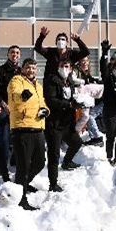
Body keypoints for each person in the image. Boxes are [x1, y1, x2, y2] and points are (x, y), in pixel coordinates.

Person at [7, 57, 49, 210]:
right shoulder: (16, 80)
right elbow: (15, 97)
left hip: (38, 127)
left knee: (39, 162)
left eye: (33, 68)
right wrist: (22, 95)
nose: (31, 70)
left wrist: (45, 110)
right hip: (22, 129)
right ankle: (21, 199)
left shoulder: (38, 85)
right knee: (23, 166)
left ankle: (22, 185)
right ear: (23, 69)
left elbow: (42, 102)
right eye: (28, 67)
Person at [43, 59, 84, 192]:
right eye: (61, 66)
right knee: (53, 155)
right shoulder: (51, 81)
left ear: (71, 68)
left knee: (77, 143)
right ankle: (53, 183)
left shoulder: (70, 82)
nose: (64, 68)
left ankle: (67, 162)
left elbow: (70, 98)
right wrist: (69, 104)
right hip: (54, 124)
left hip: (67, 123)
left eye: (66, 66)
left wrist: (78, 102)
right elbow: (51, 100)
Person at [0, 45, 21, 167]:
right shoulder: (0, 71)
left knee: (17, 137)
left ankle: (14, 162)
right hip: (3, 108)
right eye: (12, 52)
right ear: (8, 54)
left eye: (17, 53)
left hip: (17, 109)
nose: (15, 55)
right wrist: (4, 104)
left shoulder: (21, 71)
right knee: (4, 139)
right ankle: (1, 167)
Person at [72, 55, 104, 146]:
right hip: (78, 97)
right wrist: (83, 82)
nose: (85, 62)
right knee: (87, 116)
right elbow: (73, 80)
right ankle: (75, 134)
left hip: (88, 99)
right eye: (83, 60)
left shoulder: (86, 73)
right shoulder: (75, 70)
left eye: (87, 60)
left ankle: (95, 137)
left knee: (88, 116)